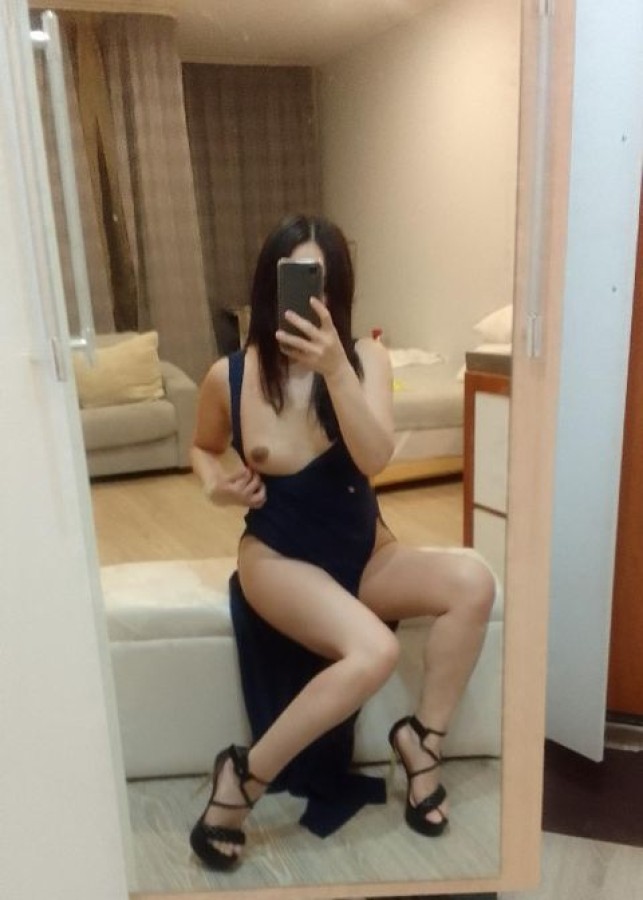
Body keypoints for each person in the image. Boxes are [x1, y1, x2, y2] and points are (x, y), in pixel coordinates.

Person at [189, 214, 495, 871]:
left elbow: (375, 456)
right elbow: (203, 447)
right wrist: (217, 488)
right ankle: (243, 777)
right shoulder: (230, 375)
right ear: (270, 285)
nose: (310, 297)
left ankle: (422, 740)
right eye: (296, 280)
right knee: (375, 650)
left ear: (339, 290)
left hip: (365, 550)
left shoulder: (364, 360)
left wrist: (335, 370)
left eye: (321, 283)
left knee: (474, 583)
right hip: (278, 557)